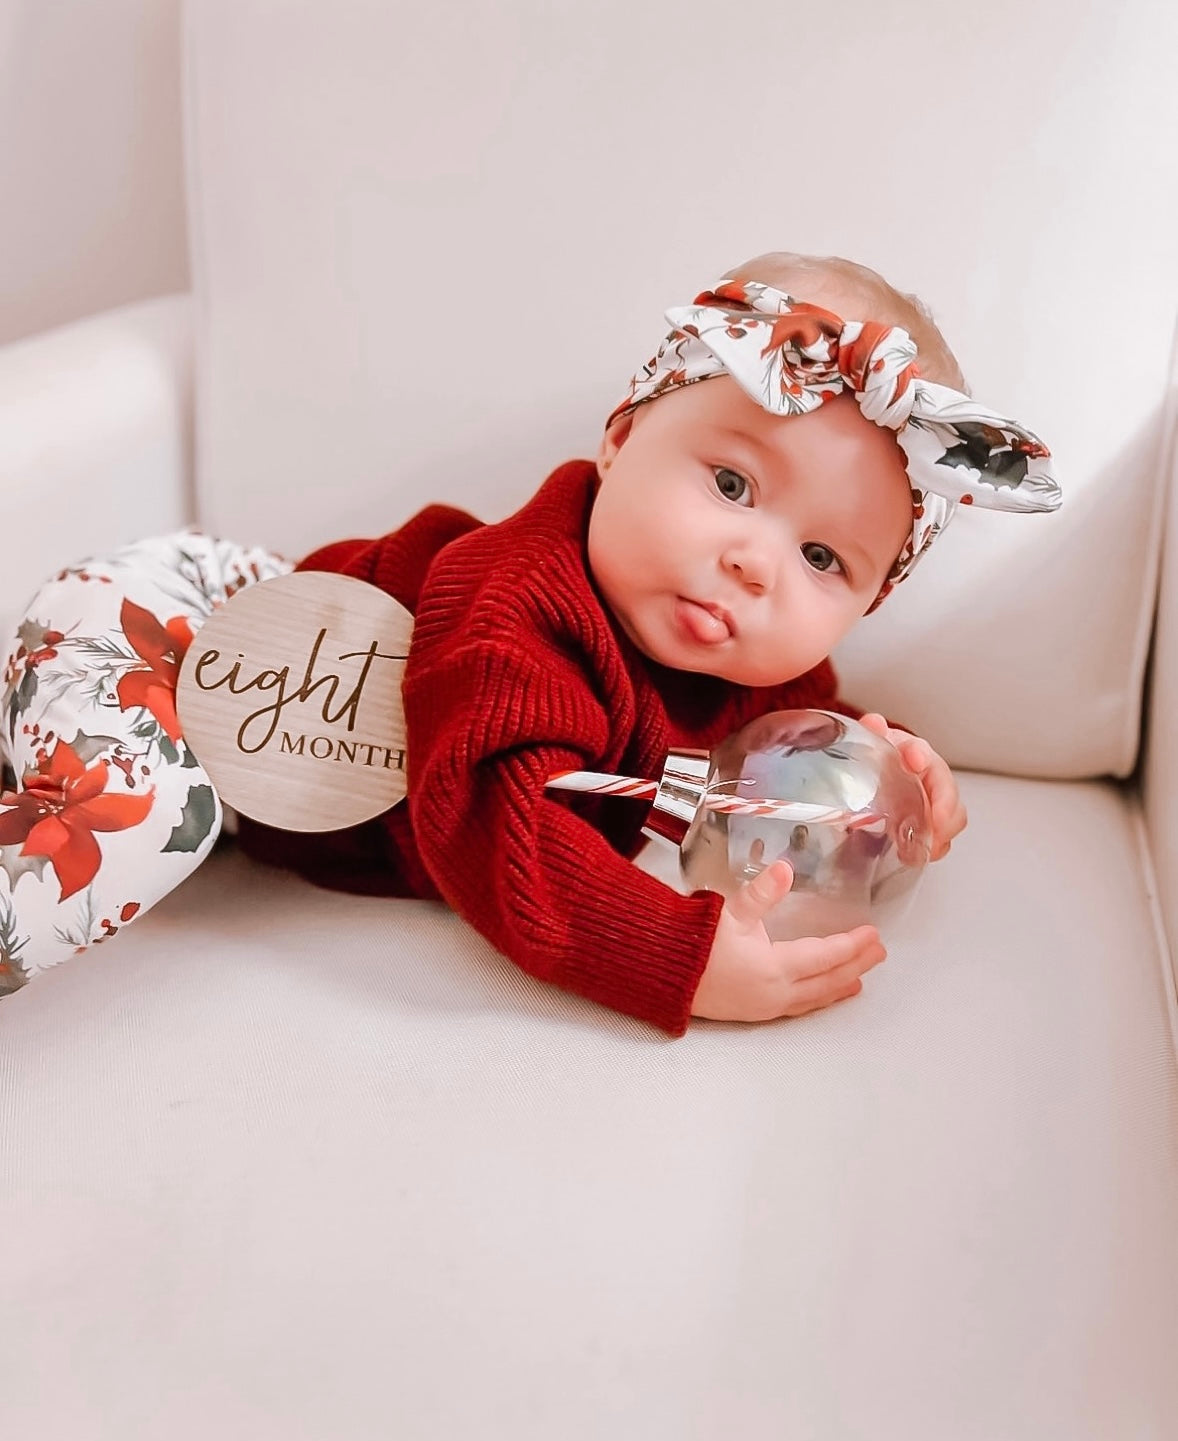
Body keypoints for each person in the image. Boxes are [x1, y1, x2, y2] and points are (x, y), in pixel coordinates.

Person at [0, 252, 1059, 1030]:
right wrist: (668, 955)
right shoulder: (514, 594)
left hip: (260, 775)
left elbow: (792, 755)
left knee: (174, 812)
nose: (754, 561)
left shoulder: (746, 668)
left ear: (864, 604)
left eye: (823, 559)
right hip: (182, 635)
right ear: (620, 437)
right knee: (127, 831)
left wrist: (893, 779)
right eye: (730, 485)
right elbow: (489, 809)